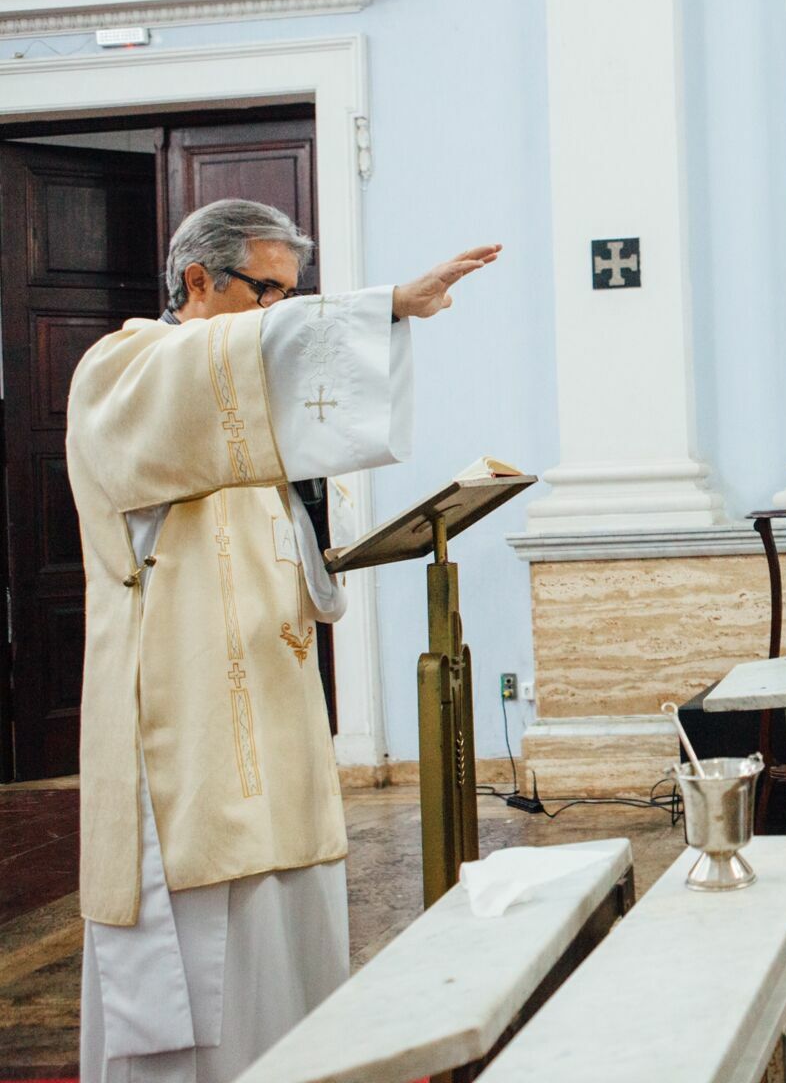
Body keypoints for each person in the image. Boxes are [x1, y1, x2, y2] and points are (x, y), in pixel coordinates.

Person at [70, 198, 499, 1083]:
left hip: (275, 721)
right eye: (267, 292)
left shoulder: (235, 404)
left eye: (294, 295)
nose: (281, 315)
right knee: (207, 954)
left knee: (290, 941)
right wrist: (379, 307)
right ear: (197, 279)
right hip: (184, 729)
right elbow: (219, 373)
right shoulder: (124, 370)